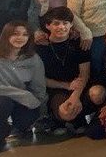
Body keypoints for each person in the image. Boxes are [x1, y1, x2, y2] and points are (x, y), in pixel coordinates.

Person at [0, 21, 46, 155]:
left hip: (21, 103)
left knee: (26, 118)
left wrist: (38, 105)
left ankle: (20, 127)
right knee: (1, 103)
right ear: (6, 35)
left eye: (25, 34)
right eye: (15, 34)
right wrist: (25, 96)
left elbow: (39, 86)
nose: (20, 38)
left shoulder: (33, 59)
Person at [35, 7, 90, 135]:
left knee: (96, 94)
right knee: (66, 112)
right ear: (48, 26)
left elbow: (84, 73)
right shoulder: (40, 47)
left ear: (71, 25)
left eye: (65, 23)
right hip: (56, 89)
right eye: (56, 23)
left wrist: (75, 95)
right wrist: (66, 86)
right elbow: (40, 79)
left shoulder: (78, 43)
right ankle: (60, 118)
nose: (61, 27)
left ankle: (77, 118)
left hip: (79, 87)